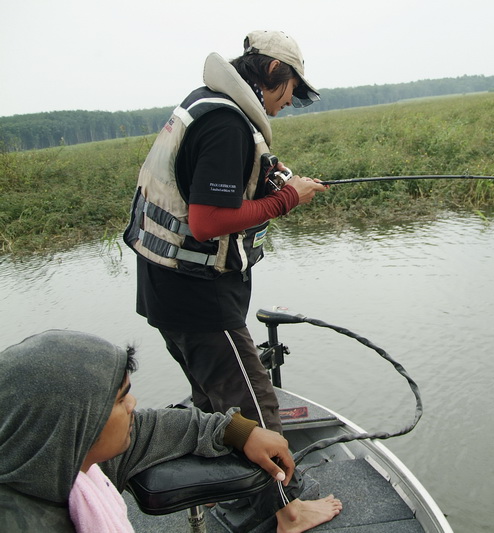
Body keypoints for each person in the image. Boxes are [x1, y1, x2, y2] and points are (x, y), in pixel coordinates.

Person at [122, 30, 337, 530]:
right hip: (199, 298)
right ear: (271, 73)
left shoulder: (206, 104)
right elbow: (207, 221)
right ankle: (283, 511)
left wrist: (274, 176)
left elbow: (207, 180)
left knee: (214, 403)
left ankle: (237, 497)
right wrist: (288, 199)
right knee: (253, 409)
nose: (287, 103)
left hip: (165, 287)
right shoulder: (227, 124)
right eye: (289, 90)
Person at [0, 330, 342, 533]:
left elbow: (156, 425)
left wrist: (238, 431)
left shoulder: (72, 460)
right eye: (120, 400)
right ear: (76, 425)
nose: (133, 404)